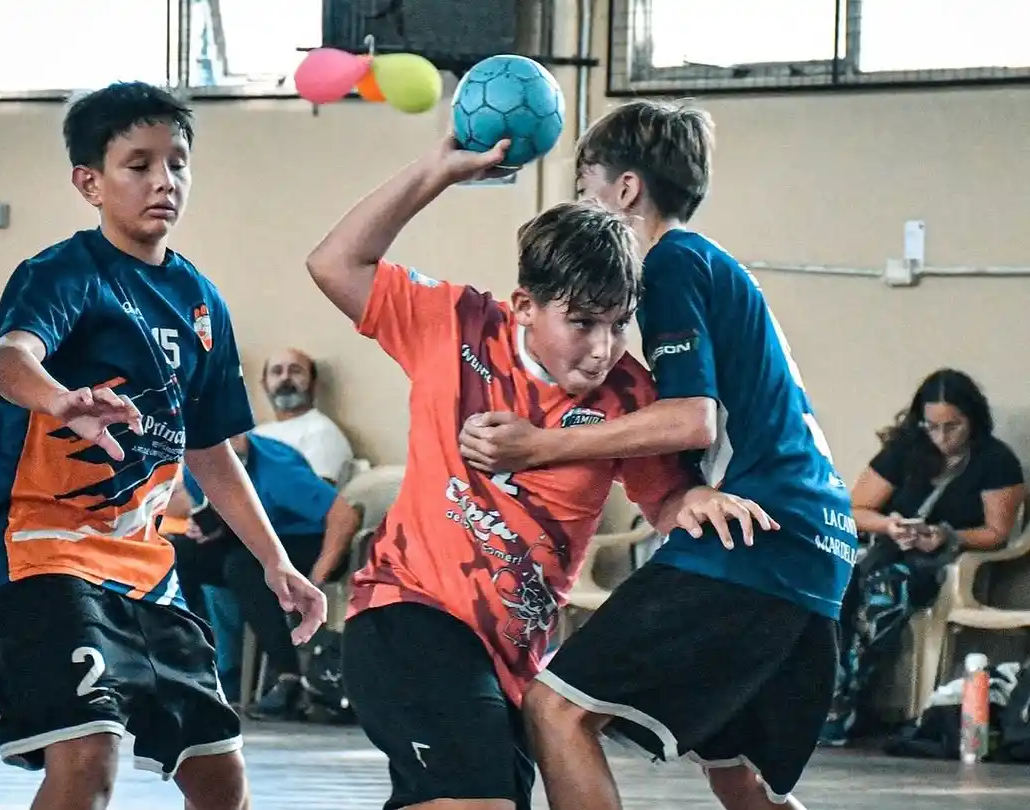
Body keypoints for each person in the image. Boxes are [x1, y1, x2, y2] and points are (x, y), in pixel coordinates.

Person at [306, 133, 777, 810]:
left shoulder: (628, 396)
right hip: (409, 615)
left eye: (619, 325)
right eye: (582, 323)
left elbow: (666, 500)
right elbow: (334, 262)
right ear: (525, 305)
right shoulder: (456, 325)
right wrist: (440, 170)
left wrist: (703, 502)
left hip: (516, 659)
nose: (601, 349)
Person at [459, 100, 857, 809]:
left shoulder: (669, 262)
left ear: (626, 190)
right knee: (736, 770)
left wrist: (543, 445)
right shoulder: (714, 265)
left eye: (585, 189)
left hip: (760, 535)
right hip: (815, 543)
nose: (584, 205)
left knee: (557, 708)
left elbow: (693, 418)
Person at [0, 81, 325, 810]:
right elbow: (5, 361)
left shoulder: (203, 302)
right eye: (139, 164)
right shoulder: (63, 272)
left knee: (221, 779)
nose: (164, 180)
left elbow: (211, 452)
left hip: (145, 570)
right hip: (43, 555)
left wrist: (277, 562)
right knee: (91, 754)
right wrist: (63, 401)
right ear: (89, 182)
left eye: (178, 162)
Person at [822, 368, 1025, 745]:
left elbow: (997, 533)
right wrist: (890, 526)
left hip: (937, 564)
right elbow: (855, 509)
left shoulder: (995, 460)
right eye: (932, 427)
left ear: (972, 420)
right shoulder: (905, 450)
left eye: (953, 426)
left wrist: (947, 535)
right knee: (832, 578)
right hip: (886, 550)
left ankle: (846, 703)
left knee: (886, 592)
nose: (942, 437)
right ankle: (822, 696)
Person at [172, 431, 361, 720]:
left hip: (308, 538)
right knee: (178, 552)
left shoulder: (277, 469)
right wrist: (208, 530)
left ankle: (289, 677)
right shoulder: (197, 462)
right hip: (258, 541)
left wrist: (316, 580)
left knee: (243, 566)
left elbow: (344, 514)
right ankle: (184, 666)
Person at [254, 348, 354, 484]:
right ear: (264, 385)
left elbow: (316, 499)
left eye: (295, 371)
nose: (285, 378)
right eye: (277, 371)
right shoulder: (257, 434)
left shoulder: (321, 432)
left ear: (313, 384)